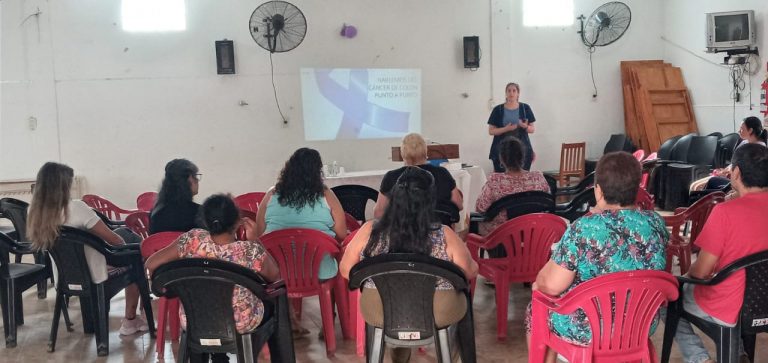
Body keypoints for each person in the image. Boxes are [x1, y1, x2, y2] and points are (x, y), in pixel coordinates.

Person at [527, 152, 668, 362]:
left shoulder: (585, 229)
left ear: (599, 191)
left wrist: (538, 284)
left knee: (535, 307)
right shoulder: (655, 223)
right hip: (639, 325)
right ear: (637, 188)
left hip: (589, 330)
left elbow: (551, 286)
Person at [340, 167, 478, 363]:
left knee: (393, 303)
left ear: (394, 197)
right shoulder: (443, 233)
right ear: (430, 200)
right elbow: (470, 271)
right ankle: (452, 357)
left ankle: (399, 353)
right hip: (437, 310)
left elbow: (346, 270)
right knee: (463, 295)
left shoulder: (370, 230)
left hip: (379, 307)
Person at [146, 194, 280, 363]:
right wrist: (255, 240)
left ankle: (217, 356)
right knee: (274, 303)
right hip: (240, 324)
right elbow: (275, 275)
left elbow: (151, 264)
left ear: (205, 220)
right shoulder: (250, 251)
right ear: (238, 221)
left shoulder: (191, 240)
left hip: (194, 321)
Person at [27, 162, 147, 336]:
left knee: (125, 237)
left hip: (63, 275)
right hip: (95, 274)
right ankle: (130, 319)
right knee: (134, 253)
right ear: (62, 186)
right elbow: (115, 241)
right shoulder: (76, 208)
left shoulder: (34, 212)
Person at [673, 143, 768, 363]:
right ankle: (739, 353)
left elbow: (701, 272)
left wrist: (681, 279)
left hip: (730, 304)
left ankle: (700, 359)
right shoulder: (730, 207)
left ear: (736, 172)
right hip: (762, 301)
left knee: (668, 300)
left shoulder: (725, 212)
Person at [254, 147, 347, 334]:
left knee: (281, 261)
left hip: (278, 272)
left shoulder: (272, 195)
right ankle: (327, 325)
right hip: (318, 270)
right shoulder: (326, 194)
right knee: (336, 261)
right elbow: (342, 233)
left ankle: (290, 322)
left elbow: (259, 233)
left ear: (289, 167)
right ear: (317, 171)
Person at [373, 133, 463, 220]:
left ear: (402, 153)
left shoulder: (391, 177)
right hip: (442, 231)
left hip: (404, 234)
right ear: (425, 151)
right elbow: (458, 205)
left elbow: (378, 213)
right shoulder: (442, 173)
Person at [475, 136, 550, 235]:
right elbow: (548, 202)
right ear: (522, 157)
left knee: (474, 221)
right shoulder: (538, 178)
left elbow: (480, 208)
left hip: (504, 239)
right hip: (535, 234)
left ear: (502, 159)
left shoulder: (495, 181)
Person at [689, 116, 768, 193]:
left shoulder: (759, 149)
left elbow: (745, 171)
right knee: (694, 185)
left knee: (697, 187)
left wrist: (727, 172)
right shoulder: (745, 142)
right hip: (732, 174)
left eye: (741, 129)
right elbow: (735, 163)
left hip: (741, 181)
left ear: (750, 130)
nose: (739, 131)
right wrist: (724, 170)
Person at [487, 82, 536, 172]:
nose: (511, 93)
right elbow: (491, 131)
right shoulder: (498, 109)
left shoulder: (525, 108)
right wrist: (506, 129)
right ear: (506, 93)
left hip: (522, 150)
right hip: (502, 150)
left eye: (514, 91)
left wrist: (524, 126)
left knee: (522, 178)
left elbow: (532, 129)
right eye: (509, 91)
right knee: (502, 179)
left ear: (518, 93)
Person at [149, 158, 202, 234]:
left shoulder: (155, 211)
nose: (197, 180)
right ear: (189, 178)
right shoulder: (199, 213)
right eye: (196, 176)